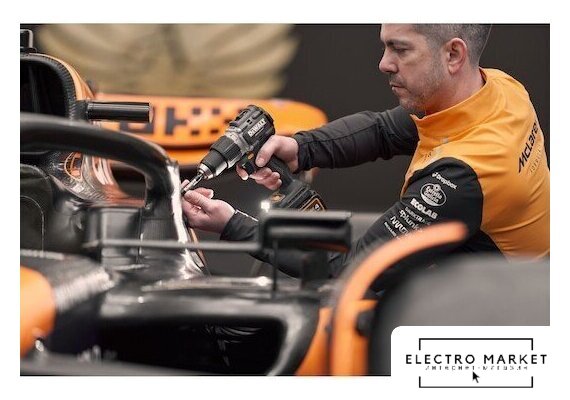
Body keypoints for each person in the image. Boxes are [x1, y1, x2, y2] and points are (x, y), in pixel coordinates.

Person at [182, 24, 550, 289]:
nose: (384, 63)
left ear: (453, 54)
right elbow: (383, 130)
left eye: (400, 49)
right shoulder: (499, 89)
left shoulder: (463, 176)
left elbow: (351, 271)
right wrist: (300, 149)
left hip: (500, 305)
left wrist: (232, 225)